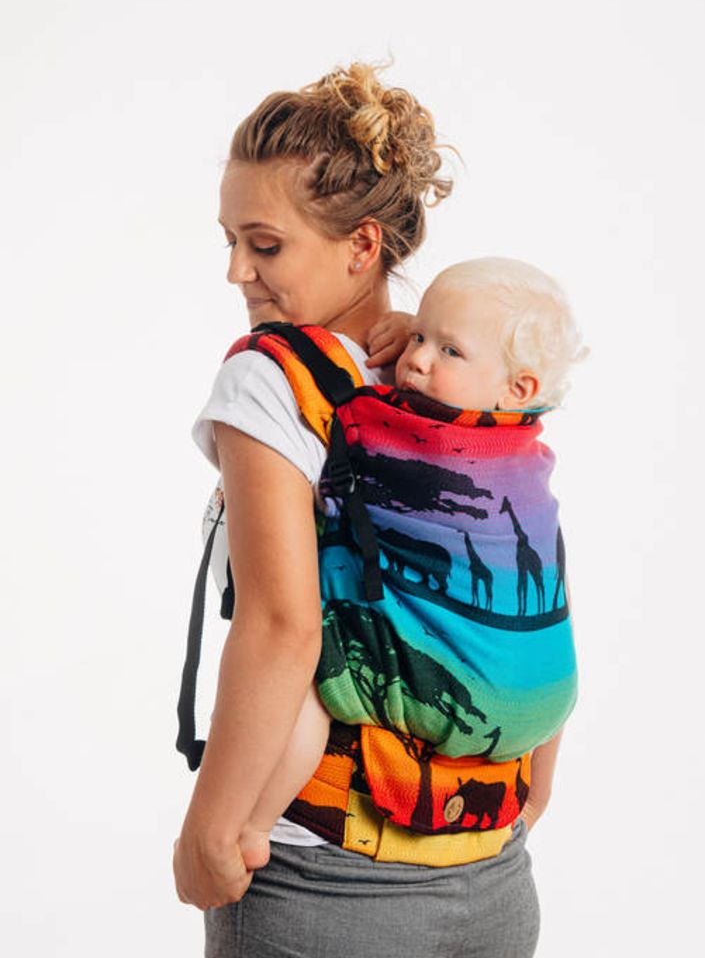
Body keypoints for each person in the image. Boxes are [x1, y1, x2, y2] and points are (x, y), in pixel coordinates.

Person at [174, 62, 561, 958]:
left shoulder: (272, 379)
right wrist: (536, 789)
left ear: (363, 244)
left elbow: (282, 627)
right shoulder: (462, 371)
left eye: (265, 245)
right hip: (495, 869)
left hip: (325, 879)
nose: (237, 271)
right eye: (229, 241)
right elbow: (532, 570)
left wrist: (211, 832)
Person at [218, 256, 583, 877]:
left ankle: (250, 826)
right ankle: (532, 803)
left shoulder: (408, 431)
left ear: (519, 389)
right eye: (418, 338)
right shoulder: (525, 452)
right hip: (546, 701)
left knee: (305, 664)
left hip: (459, 704)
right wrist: (427, 333)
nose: (415, 361)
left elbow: (363, 423)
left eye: (448, 350)